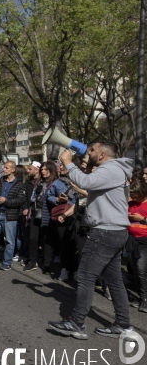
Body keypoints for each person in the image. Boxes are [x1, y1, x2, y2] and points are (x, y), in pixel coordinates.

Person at [48, 142, 136, 340]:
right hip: (113, 231)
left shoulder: (111, 169)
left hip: (105, 232)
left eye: (93, 150)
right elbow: (87, 182)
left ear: (103, 155)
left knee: (86, 276)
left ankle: (76, 323)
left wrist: (68, 163)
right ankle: (123, 324)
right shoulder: (114, 169)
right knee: (114, 281)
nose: (90, 152)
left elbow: (85, 183)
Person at [0, 161, 27, 271]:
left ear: (13, 170)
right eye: (4, 167)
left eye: (6, 168)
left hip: (10, 215)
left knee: (10, 240)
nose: (4, 169)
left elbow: (21, 200)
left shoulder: (20, 184)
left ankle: (6, 262)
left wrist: (6, 201)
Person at [127, 179, 147, 312]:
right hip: (131, 239)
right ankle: (140, 295)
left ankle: (145, 298)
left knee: (141, 269)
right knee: (134, 268)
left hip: (144, 240)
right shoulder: (131, 203)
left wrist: (143, 219)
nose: (135, 199)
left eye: (137, 196)